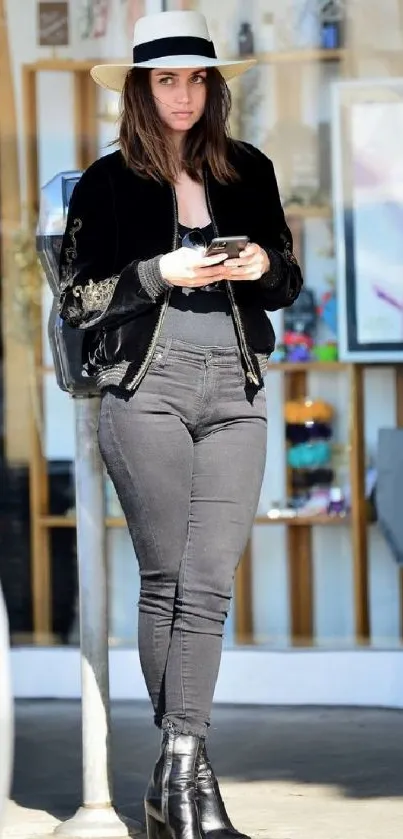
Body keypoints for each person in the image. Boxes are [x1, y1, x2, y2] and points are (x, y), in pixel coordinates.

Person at [59, 10, 303, 839]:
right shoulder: (106, 181)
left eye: (196, 79)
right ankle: (193, 791)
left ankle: (177, 776)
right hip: (146, 387)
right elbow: (77, 299)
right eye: (167, 79)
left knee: (207, 585)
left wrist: (265, 263)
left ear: (212, 87)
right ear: (139, 87)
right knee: (168, 582)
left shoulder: (249, 169)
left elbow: (284, 281)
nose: (183, 95)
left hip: (235, 387)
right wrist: (157, 271)